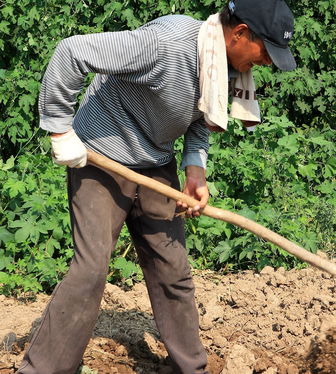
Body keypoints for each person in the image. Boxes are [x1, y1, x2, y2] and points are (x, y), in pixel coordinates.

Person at [17, 0, 295, 373]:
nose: (267, 63)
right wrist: (59, 128)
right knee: (91, 269)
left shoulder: (220, 63)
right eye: (267, 51)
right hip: (102, 156)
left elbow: (199, 116)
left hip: (155, 163)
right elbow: (72, 51)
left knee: (172, 269)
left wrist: (195, 167)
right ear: (240, 33)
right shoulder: (165, 44)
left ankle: (190, 368)